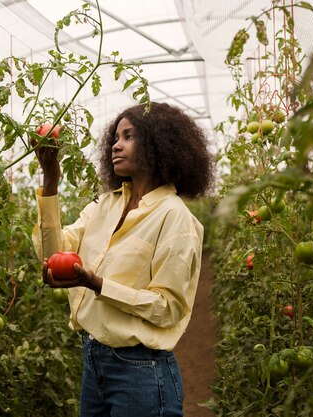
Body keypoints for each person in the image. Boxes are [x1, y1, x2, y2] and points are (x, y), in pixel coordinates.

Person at [31, 101, 214, 417]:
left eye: (129, 136)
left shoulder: (175, 217)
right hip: (94, 360)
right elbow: (52, 255)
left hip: (141, 370)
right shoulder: (105, 205)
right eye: (115, 137)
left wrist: (98, 284)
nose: (116, 144)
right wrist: (51, 180)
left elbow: (167, 307)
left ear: (158, 145)